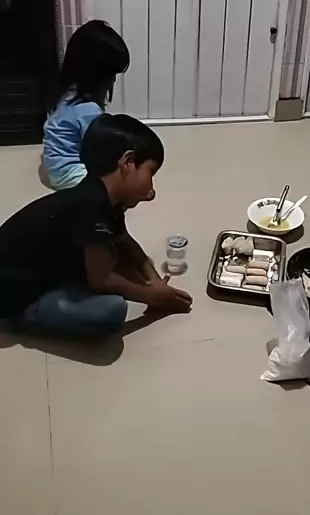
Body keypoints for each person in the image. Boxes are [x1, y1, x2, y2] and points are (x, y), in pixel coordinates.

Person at [0, 114, 192, 337]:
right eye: (150, 173)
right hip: (13, 292)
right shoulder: (90, 204)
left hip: (48, 267)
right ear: (128, 162)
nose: (152, 192)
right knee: (111, 310)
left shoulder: (104, 197)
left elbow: (125, 241)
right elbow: (101, 279)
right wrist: (153, 297)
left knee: (115, 255)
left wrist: (155, 282)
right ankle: (27, 315)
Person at [42, 20, 130, 190]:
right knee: (119, 183)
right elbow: (102, 149)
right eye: (111, 75)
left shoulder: (65, 93)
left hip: (55, 167)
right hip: (71, 173)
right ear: (95, 75)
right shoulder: (87, 110)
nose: (113, 80)